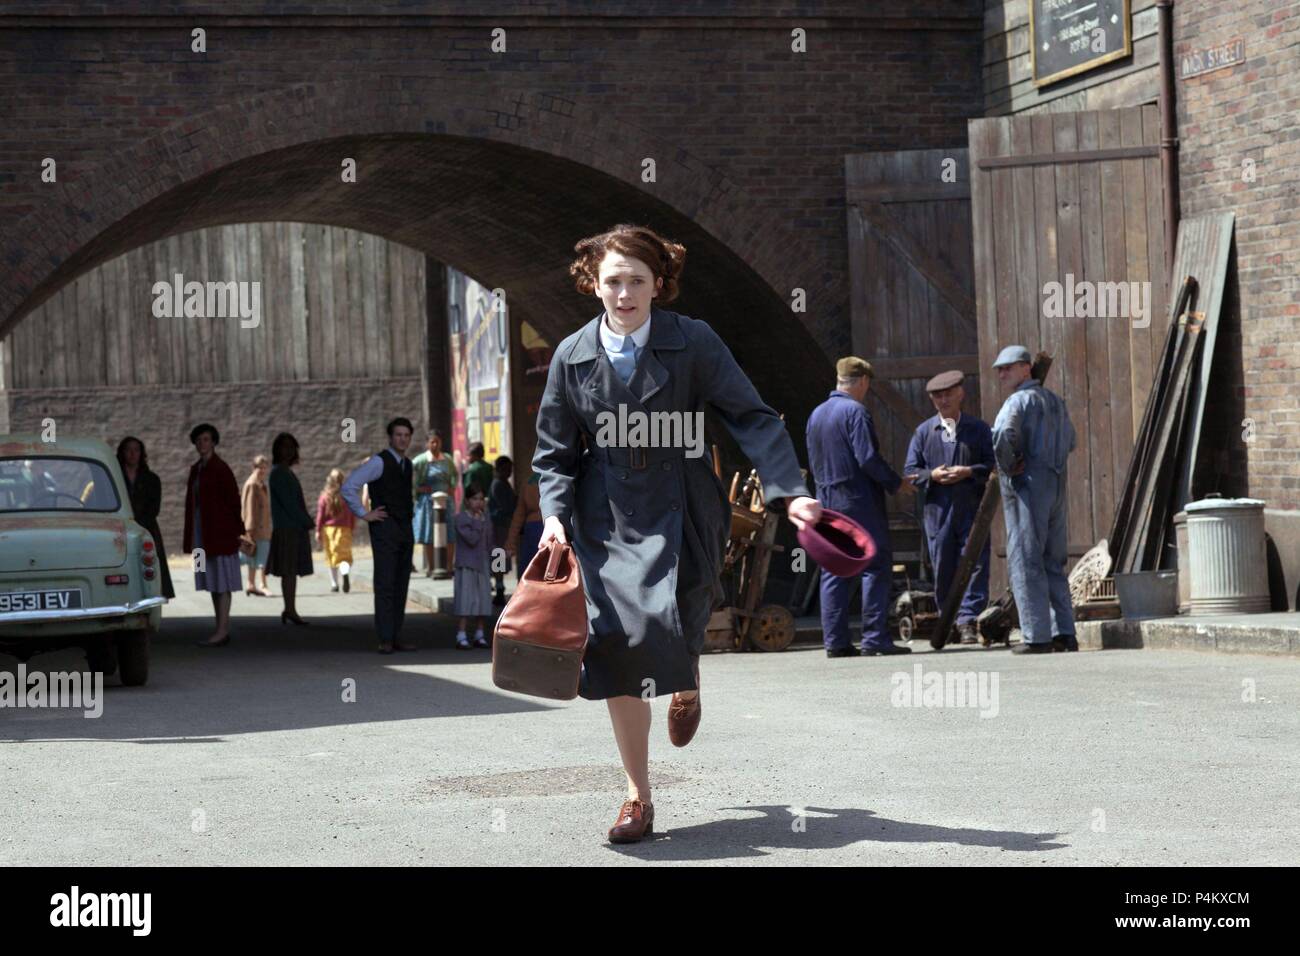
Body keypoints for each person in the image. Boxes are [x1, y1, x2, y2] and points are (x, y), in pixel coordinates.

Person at [533, 223, 822, 844]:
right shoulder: (571, 356)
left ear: (659, 285)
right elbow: (553, 452)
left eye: (637, 280)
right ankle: (638, 794)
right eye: (613, 281)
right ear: (594, 284)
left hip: (685, 502)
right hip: (604, 515)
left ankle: (685, 672)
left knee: (681, 613)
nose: (624, 293)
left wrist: (789, 491)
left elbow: (751, 415)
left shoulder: (693, 342)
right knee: (616, 641)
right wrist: (553, 515)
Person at [806, 357, 915, 658]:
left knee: (835, 569)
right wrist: (896, 484)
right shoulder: (855, 412)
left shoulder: (816, 414)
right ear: (863, 381)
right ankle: (874, 638)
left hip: (827, 501)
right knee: (876, 565)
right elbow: (867, 458)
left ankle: (836, 642)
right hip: (858, 502)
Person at [991, 345, 1078, 655]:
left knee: (1026, 560)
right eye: (999, 369)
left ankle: (1037, 636)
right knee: (1054, 562)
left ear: (1026, 368)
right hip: (1055, 484)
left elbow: (1002, 434)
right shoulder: (1056, 401)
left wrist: (1010, 463)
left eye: (1008, 368)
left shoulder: (1017, 401)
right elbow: (1072, 441)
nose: (1001, 374)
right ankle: (1065, 633)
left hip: (1026, 488)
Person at [903, 370, 996, 644]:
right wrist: (931, 475)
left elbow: (993, 464)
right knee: (943, 564)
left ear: (960, 394)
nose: (943, 400)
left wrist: (969, 471)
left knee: (975, 562)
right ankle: (949, 619)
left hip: (971, 508)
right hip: (938, 511)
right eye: (937, 396)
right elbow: (910, 471)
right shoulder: (923, 432)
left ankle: (968, 620)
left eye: (948, 394)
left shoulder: (978, 429)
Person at [342, 417, 418, 654]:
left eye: (406, 435)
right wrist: (364, 514)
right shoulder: (379, 462)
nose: (402, 439)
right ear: (390, 437)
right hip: (385, 528)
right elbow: (349, 486)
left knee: (401, 583)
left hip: (404, 528)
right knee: (385, 584)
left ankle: (395, 636)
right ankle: (385, 638)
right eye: (398, 435)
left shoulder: (407, 464)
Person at [182, 423, 245, 647]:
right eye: (199, 440)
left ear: (214, 442)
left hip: (219, 531)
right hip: (201, 532)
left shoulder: (221, 468)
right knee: (209, 577)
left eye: (206, 439)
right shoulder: (196, 469)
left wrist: (238, 530)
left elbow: (233, 501)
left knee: (222, 579)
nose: (202, 444)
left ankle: (222, 629)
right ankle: (219, 626)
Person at [116, 436, 175, 600]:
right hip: (119, 530)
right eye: (128, 449)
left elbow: (154, 509)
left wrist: (137, 524)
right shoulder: (116, 479)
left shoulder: (152, 479)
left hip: (147, 529)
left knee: (149, 570)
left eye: (136, 450)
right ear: (122, 453)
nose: (132, 454)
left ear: (141, 453)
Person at [265, 432, 315, 625]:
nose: (288, 451)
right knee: (288, 571)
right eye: (284, 447)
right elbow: (289, 504)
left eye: (291, 447)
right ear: (277, 450)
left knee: (291, 572)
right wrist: (306, 520)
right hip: (287, 529)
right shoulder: (278, 473)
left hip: (293, 528)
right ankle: (290, 608)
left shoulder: (285, 471)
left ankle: (290, 608)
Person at [453, 485, 493, 649]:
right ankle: (461, 634)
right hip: (467, 564)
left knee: (483, 598)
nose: (478, 502)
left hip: (483, 563)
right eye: (474, 499)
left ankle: (480, 633)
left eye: (481, 499)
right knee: (466, 599)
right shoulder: (462, 518)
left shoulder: (486, 518)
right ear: (467, 501)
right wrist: (477, 522)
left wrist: (498, 564)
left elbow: (491, 542)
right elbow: (471, 539)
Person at [411, 430, 457, 576]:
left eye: (437, 441)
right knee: (429, 534)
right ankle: (431, 567)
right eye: (432, 442)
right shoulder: (420, 461)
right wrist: (418, 489)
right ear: (427, 444)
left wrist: (452, 487)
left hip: (446, 500)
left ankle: (449, 566)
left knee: (450, 533)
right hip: (427, 501)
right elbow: (410, 479)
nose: (435, 445)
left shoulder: (447, 459)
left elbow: (454, 475)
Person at [317, 468, 356, 593]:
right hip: (345, 529)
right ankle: (344, 572)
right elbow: (352, 514)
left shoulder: (324, 497)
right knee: (344, 557)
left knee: (331, 557)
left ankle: (334, 584)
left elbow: (320, 516)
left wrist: (318, 530)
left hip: (329, 531)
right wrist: (351, 527)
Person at [240, 455, 274, 597]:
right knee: (262, 559)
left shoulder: (260, 484)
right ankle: (263, 585)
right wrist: (249, 530)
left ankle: (251, 584)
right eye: (260, 466)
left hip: (262, 527)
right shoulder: (253, 484)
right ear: (254, 467)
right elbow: (248, 508)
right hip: (257, 528)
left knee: (254, 558)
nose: (263, 469)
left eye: (265, 466)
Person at [488, 455, 516, 605]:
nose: (509, 472)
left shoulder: (503, 483)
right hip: (498, 526)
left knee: (501, 559)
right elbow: (506, 506)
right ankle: (499, 590)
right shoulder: (498, 484)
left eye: (510, 470)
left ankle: (500, 588)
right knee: (498, 558)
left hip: (503, 526)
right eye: (506, 470)